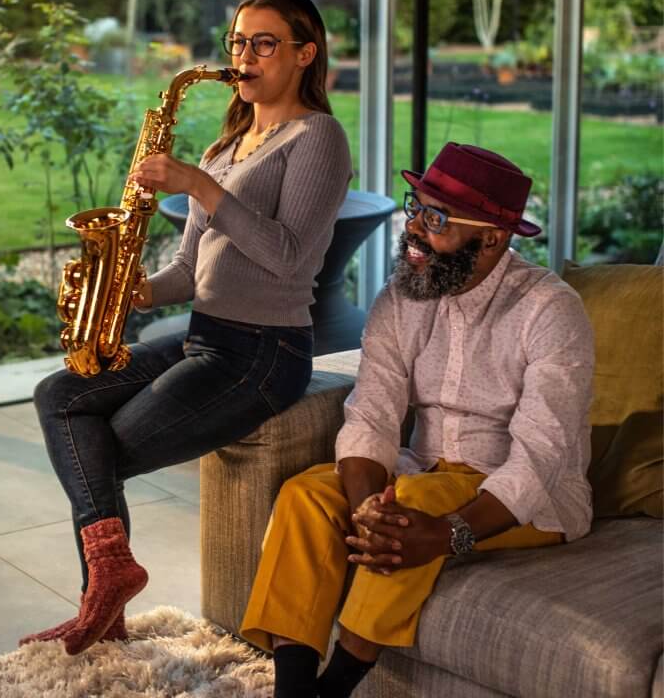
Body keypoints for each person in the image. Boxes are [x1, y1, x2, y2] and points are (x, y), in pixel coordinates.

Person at [20, 0, 352, 656]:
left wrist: (198, 185)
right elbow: (190, 267)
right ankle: (109, 586)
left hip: (266, 353)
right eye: (237, 42)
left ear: (303, 54)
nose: (244, 55)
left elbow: (288, 258)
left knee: (101, 448)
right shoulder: (226, 146)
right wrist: (135, 290)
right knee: (59, 395)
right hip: (208, 335)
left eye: (263, 42)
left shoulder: (318, 137)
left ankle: (104, 592)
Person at [239, 142, 595, 698]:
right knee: (305, 496)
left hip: (527, 497)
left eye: (437, 219)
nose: (414, 230)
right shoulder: (403, 295)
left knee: (411, 509)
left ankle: (333, 689)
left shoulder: (549, 310)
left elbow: (540, 455)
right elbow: (373, 410)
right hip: (422, 470)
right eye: (416, 208)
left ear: (493, 238)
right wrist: (363, 507)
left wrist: (450, 532)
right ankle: (292, 689)